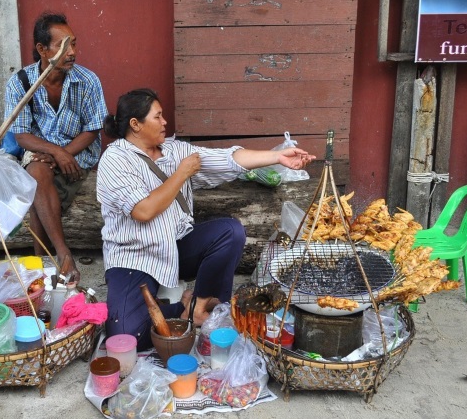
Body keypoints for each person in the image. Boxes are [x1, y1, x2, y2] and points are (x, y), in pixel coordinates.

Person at [97, 88, 315, 350]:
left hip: (176, 249)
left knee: (229, 232)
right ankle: (184, 308)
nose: (165, 122)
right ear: (135, 124)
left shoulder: (175, 150)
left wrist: (277, 157)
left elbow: (228, 158)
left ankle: (204, 305)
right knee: (127, 337)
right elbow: (143, 211)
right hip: (134, 256)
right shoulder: (115, 159)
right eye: (157, 117)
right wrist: (182, 173)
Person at [4, 12, 107, 283]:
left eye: (73, 43)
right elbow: (22, 135)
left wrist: (66, 153)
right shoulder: (20, 83)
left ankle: (43, 264)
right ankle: (63, 255)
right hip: (41, 153)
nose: (72, 52)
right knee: (37, 171)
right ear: (42, 49)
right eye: (64, 46)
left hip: (79, 152)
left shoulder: (87, 80)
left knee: (36, 181)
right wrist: (56, 153)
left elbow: (93, 128)